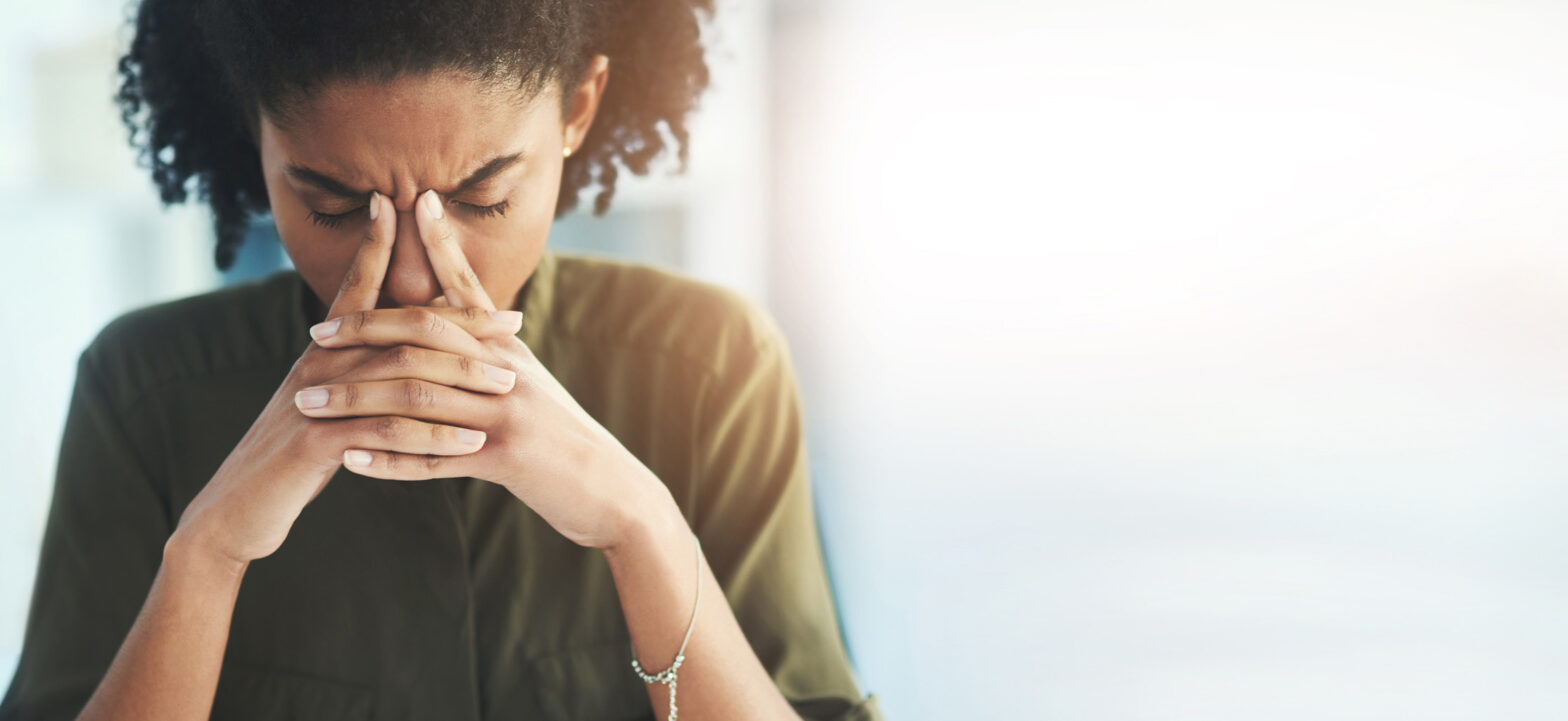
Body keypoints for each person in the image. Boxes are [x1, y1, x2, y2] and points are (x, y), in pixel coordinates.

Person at [0, 0, 880, 719]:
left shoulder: (710, 370)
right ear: (254, 132)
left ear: (578, 109)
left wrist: (641, 525)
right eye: (338, 207)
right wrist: (208, 554)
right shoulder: (145, 391)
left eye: (482, 198)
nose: (413, 281)